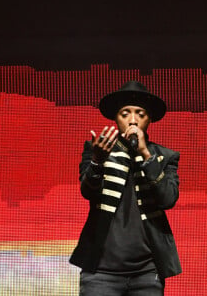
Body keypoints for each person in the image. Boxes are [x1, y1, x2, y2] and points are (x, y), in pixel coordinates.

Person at [70, 81, 182, 295]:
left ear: (149, 119)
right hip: (101, 272)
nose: (133, 120)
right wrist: (97, 161)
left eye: (140, 114)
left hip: (147, 273)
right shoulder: (97, 150)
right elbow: (88, 191)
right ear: (115, 118)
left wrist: (146, 156)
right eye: (125, 113)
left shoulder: (164, 157)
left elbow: (168, 199)